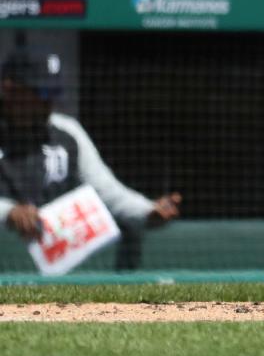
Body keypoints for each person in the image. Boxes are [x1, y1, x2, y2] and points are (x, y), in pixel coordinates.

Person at [0, 49, 181, 253]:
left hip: (53, 257)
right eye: (41, 92)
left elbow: (106, 190)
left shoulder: (67, 132)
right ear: (10, 89)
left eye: (53, 92)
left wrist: (147, 210)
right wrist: (9, 212)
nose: (48, 102)